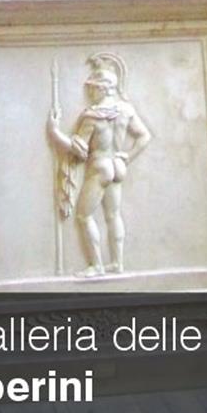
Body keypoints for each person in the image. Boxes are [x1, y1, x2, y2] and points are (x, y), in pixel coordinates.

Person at [47, 53, 152, 276]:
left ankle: (97, 266)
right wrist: (127, 156)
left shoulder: (92, 116)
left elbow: (78, 149)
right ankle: (118, 263)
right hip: (117, 167)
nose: (90, 92)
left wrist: (54, 132)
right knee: (113, 215)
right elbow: (144, 136)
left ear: (104, 89)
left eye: (93, 88)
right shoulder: (126, 110)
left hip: (100, 167)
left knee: (84, 216)